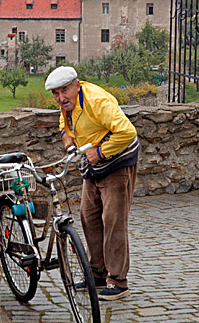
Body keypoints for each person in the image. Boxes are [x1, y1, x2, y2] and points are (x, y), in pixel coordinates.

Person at [45, 66, 139, 301]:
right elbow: (64, 124)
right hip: (93, 164)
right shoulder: (68, 104)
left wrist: (100, 151)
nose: (61, 98)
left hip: (118, 160)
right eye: (56, 93)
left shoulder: (97, 101)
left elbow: (128, 132)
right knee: (88, 216)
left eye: (64, 91)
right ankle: (96, 275)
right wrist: (67, 139)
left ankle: (118, 281)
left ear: (77, 85)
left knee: (113, 220)